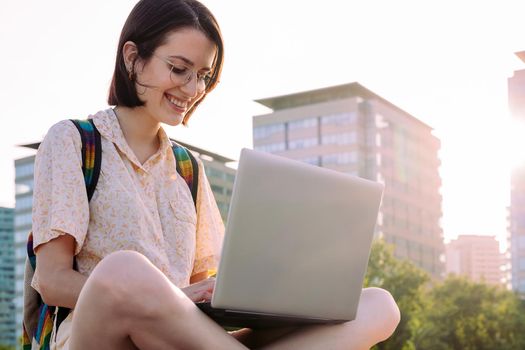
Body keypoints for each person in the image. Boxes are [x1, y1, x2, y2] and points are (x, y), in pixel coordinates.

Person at [31, 0, 400, 349]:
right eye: (179, 69)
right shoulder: (73, 141)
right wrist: (167, 296)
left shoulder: (189, 168)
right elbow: (52, 281)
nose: (192, 89)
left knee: (378, 306)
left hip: (183, 339)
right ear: (133, 58)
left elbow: (201, 289)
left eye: (203, 75)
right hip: (101, 336)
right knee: (124, 271)